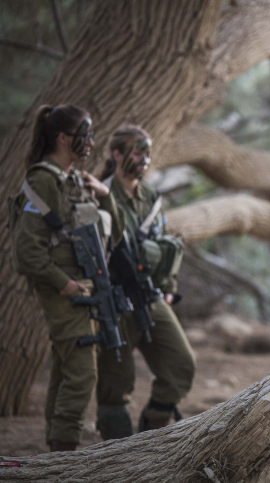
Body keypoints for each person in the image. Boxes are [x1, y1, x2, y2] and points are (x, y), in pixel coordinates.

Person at [11, 105, 124, 452]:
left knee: (66, 369)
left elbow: (115, 235)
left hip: (85, 289)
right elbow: (26, 251)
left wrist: (106, 197)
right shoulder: (43, 180)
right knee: (82, 374)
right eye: (84, 135)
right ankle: (65, 452)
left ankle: (57, 448)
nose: (90, 143)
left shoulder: (76, 179)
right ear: (62, 138)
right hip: (66, 291)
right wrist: (64, 284)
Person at [94, 125, 195, 439]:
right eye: (137, 152)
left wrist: (168, 291)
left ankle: (152, 435)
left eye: (147, 153)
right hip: (115, 300)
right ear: (117, 155)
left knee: (181, 365)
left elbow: (166, 247)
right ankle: (117, 456)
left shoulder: (151, 197)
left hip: (151, 296)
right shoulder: (99, 194)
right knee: (115, 385)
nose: (144, 159)